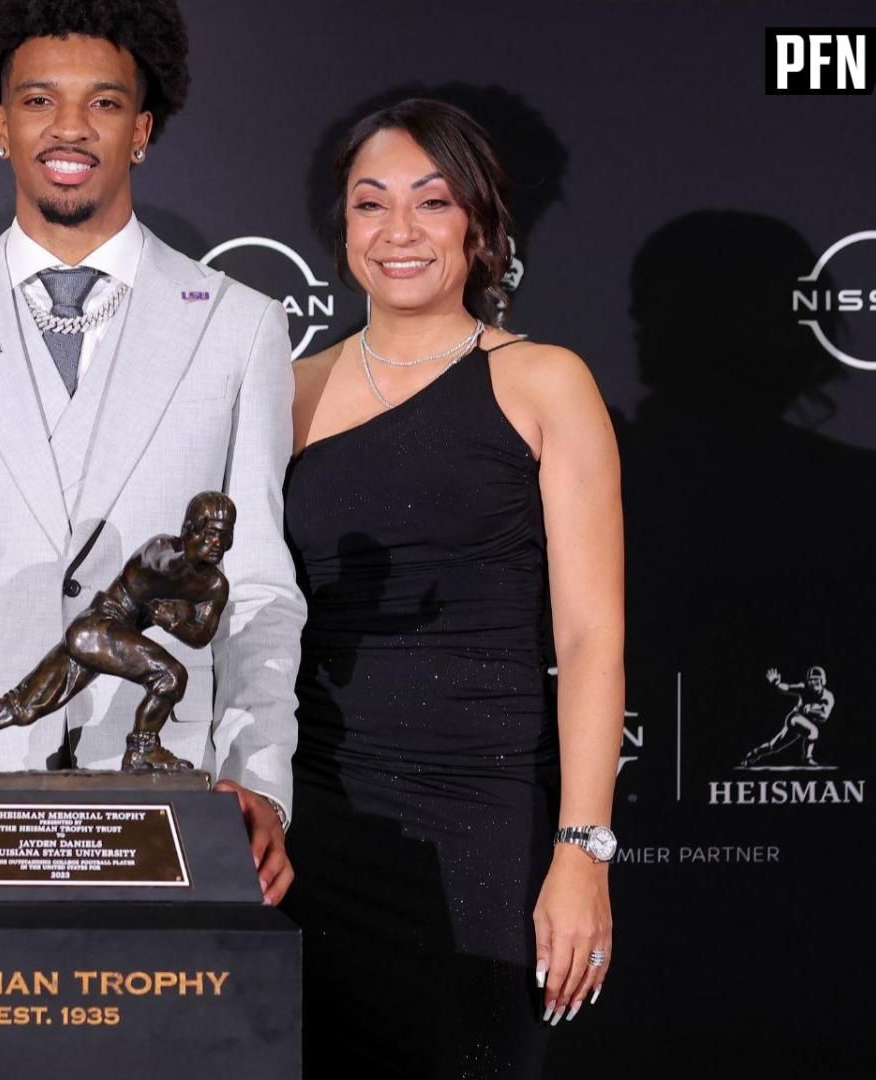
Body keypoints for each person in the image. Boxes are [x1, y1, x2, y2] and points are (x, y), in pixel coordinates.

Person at [0, 0, 301, 907]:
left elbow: (261, 587)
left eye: (105, 103)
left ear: (143, 130)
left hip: (175, 799)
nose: (70, 128)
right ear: (1, 126)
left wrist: (260, 776)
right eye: (39, 101)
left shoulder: (242, 328)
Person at [282, 98, 624, 1077]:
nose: (398, 232)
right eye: (369, 203)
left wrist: (582, 850)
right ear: (340, 224)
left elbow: (593, 634)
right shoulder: (286, 392)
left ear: (478, 224)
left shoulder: (543, 382)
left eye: (431, 204)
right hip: (319, 823)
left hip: (485, 821)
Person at [0, 491, 235, 770]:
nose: (217, 545)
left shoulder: (215, 586)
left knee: (25, 707)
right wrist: (176, 606)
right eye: (210, 535)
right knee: (168, 676)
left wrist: (174, 621)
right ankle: (142, 748)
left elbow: (201, 635)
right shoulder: (160, 549)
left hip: (103, 640)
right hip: (96, 628)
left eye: (225, 537)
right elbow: (165, 568)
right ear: (188, 530)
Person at [741, 666, 836, 767]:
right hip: (795, 718)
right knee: (813, 731)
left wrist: (812, 710)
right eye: (811, 680)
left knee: (774, 746)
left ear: (823, 681)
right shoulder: (804, 688)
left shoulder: (828, 697)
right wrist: (776, 683)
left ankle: (754, 754)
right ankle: (807, 758)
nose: (813, 682)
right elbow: (787, 687)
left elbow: (824, 716)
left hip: (803, 724)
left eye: (816, 679)